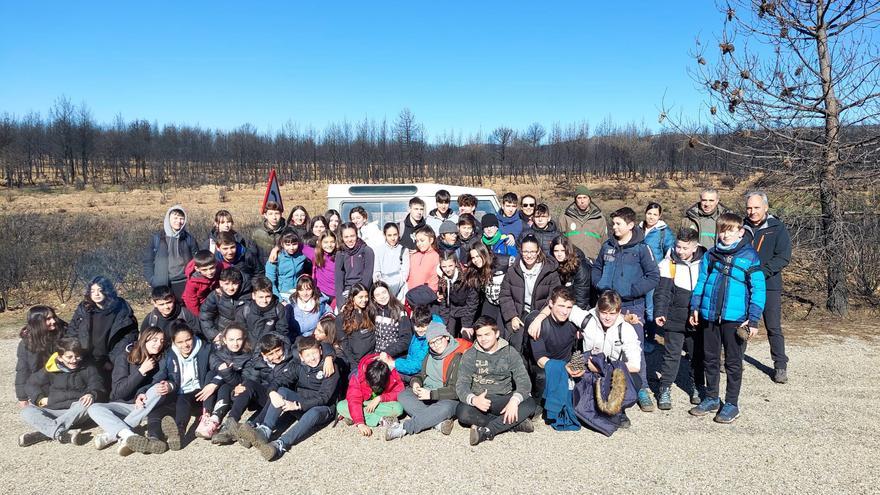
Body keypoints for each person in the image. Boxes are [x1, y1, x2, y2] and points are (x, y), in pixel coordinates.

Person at [689, 213, 766, 424]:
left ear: (740, 232)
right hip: (710, 316)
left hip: (736, 319)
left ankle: (732, 404)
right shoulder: (711, 255)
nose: (725, 235)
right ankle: (712, 398)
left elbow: (758, 288)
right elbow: (701, 281)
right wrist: (695, 307)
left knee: (733, 362)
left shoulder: (750, 256)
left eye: (730, 230)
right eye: (722, 230)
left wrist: (753, 319)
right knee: (710, 359)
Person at [591, 207, 660, 412]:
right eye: (613, 223)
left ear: (630, 225)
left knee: (634, 347)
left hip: (631, 305)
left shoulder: (641, 248)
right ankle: (607, 381)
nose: (615, 227)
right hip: (608, 304)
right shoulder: (608, 246)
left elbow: (653, 275)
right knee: (607, 343)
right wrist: (599, 283)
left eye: (618, 223)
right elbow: (597, 268)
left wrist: (631, 290)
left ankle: (642, 388)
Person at [240, 336, 340, 461]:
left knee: (314, 412)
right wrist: (272, 392)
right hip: (301, 403)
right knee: (281, 391)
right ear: (301, 357)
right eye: (307, 355)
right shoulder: (298, 365)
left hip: (323, 409)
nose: (312, 358)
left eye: (314, 353)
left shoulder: (330, 367)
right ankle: (265, 430)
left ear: (320, 351)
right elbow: (280, 380)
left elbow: (324, 397)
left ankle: (280, 444)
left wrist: (297, 405)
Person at [455, 316, 536, 446]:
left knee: (530, 403)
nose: (483, 339)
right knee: (462, 412)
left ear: (497, 333)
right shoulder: (470, 354)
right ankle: (514, 424)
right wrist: (474, 400)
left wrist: (514, 401)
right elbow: (461, 384)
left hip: (504, 399)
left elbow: (524, 381)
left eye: (487, 334)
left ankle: (488, 430)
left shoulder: (510, 352)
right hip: (481, 401)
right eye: (479, 335)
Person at [88, 327, 168, 455]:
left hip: (145, 405)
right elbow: (119, 392)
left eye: (161, 341)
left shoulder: (162, 359)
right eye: (154, 340)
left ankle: (112, 435)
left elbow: (157, 381)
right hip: (124, 405)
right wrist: (141, 371)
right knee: (94, 408)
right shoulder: (124, 357)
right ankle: (128, 436)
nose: (158, 344)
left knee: (159, 389)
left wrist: (141, 393)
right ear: (143, 339)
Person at [385, 322, 472, 441]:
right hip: (427, 393)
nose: (435, 345)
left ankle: (405, 428)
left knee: (446, 408)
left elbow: (456, 390)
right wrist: (416, 382)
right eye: (431, 342)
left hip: (447, 397)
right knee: (404, 395)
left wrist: (431, 394)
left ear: (446, 337)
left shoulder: (458, 356)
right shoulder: (429, 355)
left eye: (438, 340)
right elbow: (422, 375)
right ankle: (436, 422)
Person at [19, 337, 105, 447]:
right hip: (54, 410)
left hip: (76, 411)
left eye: (77, 356)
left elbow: (97, 382)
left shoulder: (88, 367)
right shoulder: (51, 368)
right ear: (60, 357)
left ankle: (45, 433)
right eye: (69, 357)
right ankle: (60, 433)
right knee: (27, 411)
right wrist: (39, 398)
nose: (74, 360)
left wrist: (91, 394)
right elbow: (31, 384)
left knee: (87, 405)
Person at [654, 228, 706, 409]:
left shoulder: (705, 260)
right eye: (678, 246)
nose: (680, 251)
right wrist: (660, 311)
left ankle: (698, 386)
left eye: (685, 248)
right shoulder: (669, 262)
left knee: (697, 354)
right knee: (671, 355)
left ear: (695, 246)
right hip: (675, 315)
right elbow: (663, 291)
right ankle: (665, 388)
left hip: (697, 316)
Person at [744, 191, 792, 384]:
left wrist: (761, 272)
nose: (752, 211)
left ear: (765, 207)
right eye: (749, 208)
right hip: (744, 284)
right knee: (742, 323)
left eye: (756, 207)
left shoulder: (777, 228)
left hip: (769, 284)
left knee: (773, 326)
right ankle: (731, 359)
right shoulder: (741, 227)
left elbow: (783, 256)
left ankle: (780, 365)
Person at [147, 322, 214, 451]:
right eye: (180, 342)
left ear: (193, 336)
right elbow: (161, 375)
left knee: (184, 399)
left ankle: (178, 432)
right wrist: (144, 390)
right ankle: (154, 438)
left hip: (199, 394)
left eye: (188, 339)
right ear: (174, 342)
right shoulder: (169, 355)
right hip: (177, 393)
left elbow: (216, 369)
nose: (185, 345)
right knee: (156, 409)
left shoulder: (206, 349)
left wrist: (213, 384)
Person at [499, 235, 561, 353]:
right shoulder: (513, 270)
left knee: (538, 341)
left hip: (542, 312)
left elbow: (554, 297)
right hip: (519, 312)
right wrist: (512, 316)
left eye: (532, 251)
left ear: (538, 251)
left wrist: (540, 318)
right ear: (521, 252)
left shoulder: (549, 271)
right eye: (526, 252)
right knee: (516, 342)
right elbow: (505, 295)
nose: (529, 255)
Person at [525, 287, 580, 418]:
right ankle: (538, 403)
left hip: (566, 362)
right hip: (543, 364)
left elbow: (601, 315)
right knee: (542, 376)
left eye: (569, 307)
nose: (564, 311)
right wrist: (563, 368)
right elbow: (540, 359)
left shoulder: (575, 321)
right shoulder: (539, 324)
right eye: (561, 306)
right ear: (550, 304)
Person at [67, 276, 138, 374]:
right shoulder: (84, 308)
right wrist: (77, 355)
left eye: (100, 290)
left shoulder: (121, 309)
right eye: (93, 291)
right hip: (85, 359)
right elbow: (72, 330)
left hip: (111, 361)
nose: (96, 294)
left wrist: (111, 360)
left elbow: (128, 338)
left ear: (108, 291)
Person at [195, 324, 253, 441]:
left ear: (244, 339)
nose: (235, 343)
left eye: (239, 339)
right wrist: (219, 376)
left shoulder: (248, 357)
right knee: (210, 374)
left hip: (235, 390)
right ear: (225, 340)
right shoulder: (217, 352)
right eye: (231, 339)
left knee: (224, 385)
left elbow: (241, 381)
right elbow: (214, 365)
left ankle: (215, 419)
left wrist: (221, 376)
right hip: (221, 386)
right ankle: (207, 415)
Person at [336, 353, 404, 437]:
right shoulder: (358, 375)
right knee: (341, 406)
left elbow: (400, 391)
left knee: (398, 408)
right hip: (363, 402)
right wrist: (360, 423)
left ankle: (353, 416)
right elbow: (354, 399)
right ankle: (381, 420)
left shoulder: (392, 371)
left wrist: (380, 398)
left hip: (381, 403)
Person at [143, 204, 199, 299]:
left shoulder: (189, 239)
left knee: (187, 310)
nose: (178, 221)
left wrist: (194, 277)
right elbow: (148, 261)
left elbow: (197, 260)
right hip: (163, 284)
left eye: (182, 218)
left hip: (185, 282)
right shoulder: (157, 239)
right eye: (175, 218)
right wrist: (152, 280)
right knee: (168, 310)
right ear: (168, 218)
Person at [641, 202, 675, 353]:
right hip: (637, 274)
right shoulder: (637, 228)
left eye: (655, 214)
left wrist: (660, 267)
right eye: (649, 213)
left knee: (650, 308)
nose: (651, 217)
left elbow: (670, 253)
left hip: (653, 275)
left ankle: (650, 338)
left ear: (659, 216)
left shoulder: (664, 232)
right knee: (636, 307)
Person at [16, 306, 66, 408]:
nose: (53, 321)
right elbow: (22, 370)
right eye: (48, 319)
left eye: (53, 317)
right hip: (41, 381)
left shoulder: (63, 333)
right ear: (37, 322)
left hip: (63, 377)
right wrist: (22, 397)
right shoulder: (26, 343)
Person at [466, 242, 509, 340]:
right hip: (490, 301)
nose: (475, 260)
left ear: (484, 253)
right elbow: (473, 300)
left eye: (478, 256)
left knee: (502, 333)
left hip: (505, 302)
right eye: (473, 258)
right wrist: (467, 324)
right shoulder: (475, 271)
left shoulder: (503, 261)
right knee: (485, 328)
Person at [234, 276, 290, 343]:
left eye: (268, 296)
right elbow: (240, 331)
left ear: (272, 294)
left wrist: (269, 343)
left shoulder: (278, 308)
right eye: (261, 297)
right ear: (253, 296)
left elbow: (282, 330)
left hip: (270, 346)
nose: (264, 300)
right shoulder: (245, 310)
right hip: (250, 347)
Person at [199, 267, 248, 343]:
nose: (231, 288)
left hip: (245, 332)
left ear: (240, 282)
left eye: (235, 283)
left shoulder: (249, 294)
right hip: (223, 331)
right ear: (221, 283)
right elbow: (205, 315)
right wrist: (214, 334)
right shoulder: (216, 295)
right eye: (226, 284)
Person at [436, 252, 479, 337]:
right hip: (452, 310)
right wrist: (444, 323)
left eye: (450, 266)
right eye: (444, 266)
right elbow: (444, 304)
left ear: (455, 263)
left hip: (467, 309)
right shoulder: (442, 281)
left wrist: (466, 324)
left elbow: (473, 303)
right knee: (447, 335)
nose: (447, 269)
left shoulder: (467, 277)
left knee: (466, 335)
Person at [560, 185, 607, 261]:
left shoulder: (599, 217)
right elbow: (560, 239)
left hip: (593, 260)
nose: (582, 201)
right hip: (572, 260)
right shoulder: (566, 216)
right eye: (579, 198)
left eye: (585, 197)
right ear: (575, 200)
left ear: (589, 199)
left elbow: (604, 241)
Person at [335, 222, 375, 308]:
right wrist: (341, 304)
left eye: (352, 236)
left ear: (357, 235)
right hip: (347, 292)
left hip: (363, 292)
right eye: (346, 237)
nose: (349, 240)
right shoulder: (340, 253)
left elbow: (367, 277)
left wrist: (359, 296)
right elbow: (339, 280)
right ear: (342, 238)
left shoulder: (367, 251)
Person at [266, 228, 310, 303]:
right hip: (282, 293)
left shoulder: (302, 255)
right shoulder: (276, 257)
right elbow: (270, 281)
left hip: (299, 291)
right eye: (288, 245)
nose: (291, 248)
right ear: (282, 244)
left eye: (294, 244)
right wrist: (280, 299)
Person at [371, 281, 414, 358]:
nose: (382, 296)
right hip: (377, 354)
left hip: (395, 355)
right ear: (374, 299)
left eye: (384, 292)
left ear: (389, 292)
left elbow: (406, 339)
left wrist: (388, 352)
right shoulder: (374, 311)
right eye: (378, 295)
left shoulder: (399, 311)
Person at [338, 284, 376, 370]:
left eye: (366, 296)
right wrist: (353, 363)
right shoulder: (343, 317)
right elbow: (344, 343)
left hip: (372, 358)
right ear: (353, 297)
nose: (364, 300)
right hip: (356, 361)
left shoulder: (370, 312)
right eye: (360, 297)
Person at [182, 249, 228, 316]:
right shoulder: (193, 281)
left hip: (216, 298)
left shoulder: (221, 266)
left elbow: (232, 271)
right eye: (204, 270)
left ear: (216, 263)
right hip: (201, 304)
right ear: (197, 269)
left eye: (212, 268)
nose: (209, 272)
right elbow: (190, 300)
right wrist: (199, 316)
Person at [550, 235, 592, 309]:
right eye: (556, 251)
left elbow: (581, 300)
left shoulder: (580, 267)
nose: (559, 254)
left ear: (568, 250)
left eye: (563, 250)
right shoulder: (552, 264)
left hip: (578, 307)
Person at [392, 305, 432, 382]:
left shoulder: (429, 339)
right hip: (411, 366)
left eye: (423, 326)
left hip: (420, 374)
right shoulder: (417, 335)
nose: (420, 330)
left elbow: (417, 365)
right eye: (417, 326)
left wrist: (394, 363)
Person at [373, 222, 410, 301]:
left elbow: (404, 273)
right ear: (384, 235)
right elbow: (376, 271)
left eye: (395, 234)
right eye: (389, 235)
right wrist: (383, 289)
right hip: (383, 290)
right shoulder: (379, 250)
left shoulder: (403, 250)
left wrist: (396, 285)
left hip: (399, 290)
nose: (393, 238)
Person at [303, 231, 337, 307]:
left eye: (332, 242)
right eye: (325, 242)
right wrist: (276, 249)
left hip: (336, 296)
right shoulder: (316, 254)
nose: (329, 245)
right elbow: (299, 246)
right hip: (321, 294)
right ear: (320, 243)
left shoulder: (340, 256)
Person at [251, 201, 287, 265]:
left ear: (281, 214)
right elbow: (252, 257)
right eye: (270, 214)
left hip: (285, 271)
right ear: (265, 215)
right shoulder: (257, 233)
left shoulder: (288, 231)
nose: (274, 217)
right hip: (263, 271)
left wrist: (277, 248)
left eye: (277, 213)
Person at [407, 225, 440, 293]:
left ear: (431, 240)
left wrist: (426, 297)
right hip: (409, 295)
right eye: (417, 241)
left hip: (424, 297)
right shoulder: (414, 256)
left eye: (422, 240)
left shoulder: (436, 257)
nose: (419, 244)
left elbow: (434, 281)